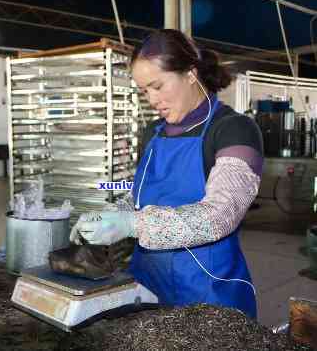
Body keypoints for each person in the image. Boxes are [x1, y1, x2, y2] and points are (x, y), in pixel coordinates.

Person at [70, 29, 262, 318]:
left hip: (209, 298)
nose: (152, 99)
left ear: (191, 74)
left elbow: (220, 215)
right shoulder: (153, 133)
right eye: (145, 90)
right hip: (148, 291)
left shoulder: (234, 130)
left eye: (158, 86)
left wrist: (132, 225)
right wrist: (110, 216)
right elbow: (139, 199)